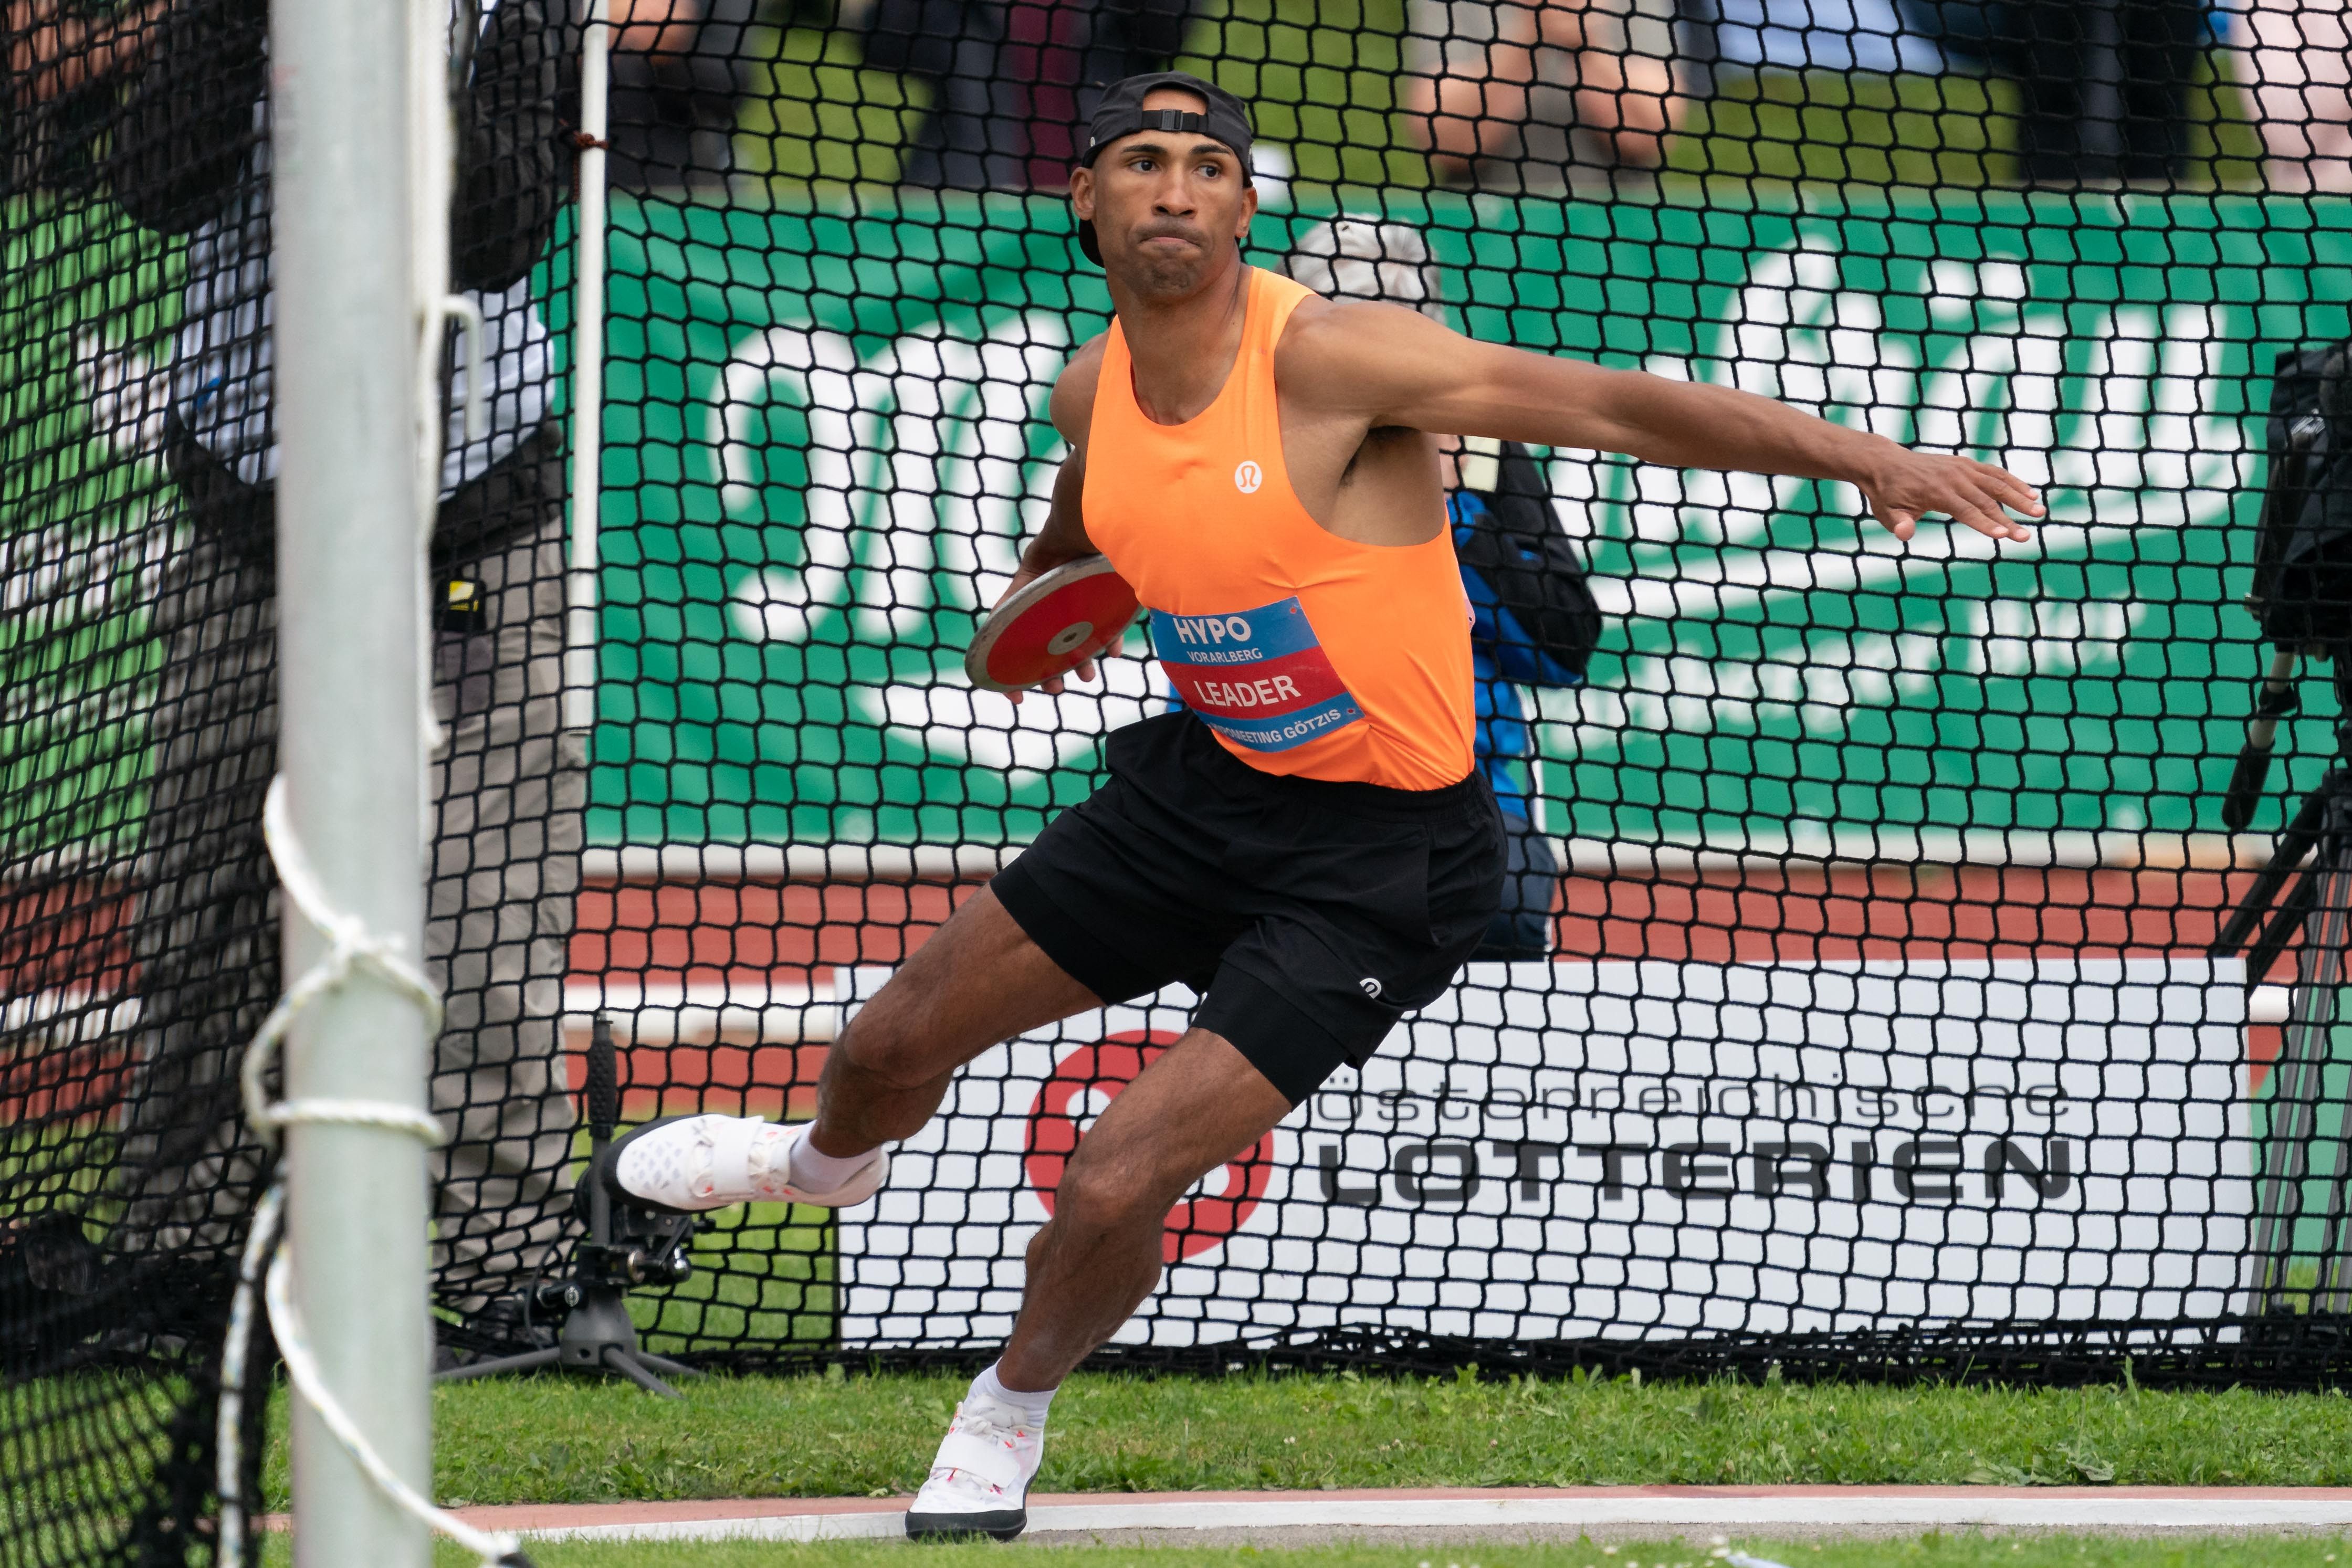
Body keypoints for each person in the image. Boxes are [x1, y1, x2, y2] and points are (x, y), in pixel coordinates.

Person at [598, 69, 2041, 1539]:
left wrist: (1868, 452)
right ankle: (820, 1167)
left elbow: (1611, 403)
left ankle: (1010, 1404)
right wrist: (1052, 613)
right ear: (1083, 198)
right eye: (1143, 162)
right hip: (1197, 798)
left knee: (1106, 1185)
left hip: (1378, 862)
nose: (1176, 187)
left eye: (1207, 166)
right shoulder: (1090, 382)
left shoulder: (1335, 357)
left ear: (1242, 204)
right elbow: (1087, 516)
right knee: (892, 1033)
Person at [103, 0, 586, 1347]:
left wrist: (402, 59)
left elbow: (498, 228)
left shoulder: (520, 7)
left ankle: (501, 1270)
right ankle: (186, 1253)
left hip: (477, 509)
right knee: (209, 907)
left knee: (485, 914)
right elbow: (156, 181)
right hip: (250, 509)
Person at [1284, 217, 1580, 959]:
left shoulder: (1482, 446)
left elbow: (1563, 647)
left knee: (1503, 908)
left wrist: (1453, 514)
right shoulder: (1251, 442)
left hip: (1462, 790)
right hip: (1290, 787)